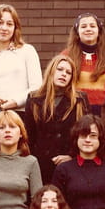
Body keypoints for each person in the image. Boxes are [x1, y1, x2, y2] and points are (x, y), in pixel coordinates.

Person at [24, 54, 89, 183]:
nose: (64, 74)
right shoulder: (34, 98)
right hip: (41, 164)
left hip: (70, 164)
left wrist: (72, 156)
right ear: (51, 71)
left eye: (68, 72)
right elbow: (29, 136)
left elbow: (85, 133)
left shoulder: (79, 100)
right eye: (60, 69)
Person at [0, 4, 42, 113]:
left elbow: (37, 88)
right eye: (0, 23)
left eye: (9, 24)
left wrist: (15, 102)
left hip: (19, 114)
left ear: (15, 28)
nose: (4, 28)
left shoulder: (27, 51)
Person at [62, 12, 105, 114]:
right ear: (77, 32)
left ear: (99, 31)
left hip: (101, 112)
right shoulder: (66, 56)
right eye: (83, 26)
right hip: (74, 111)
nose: (88, 29)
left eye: (92, 26)